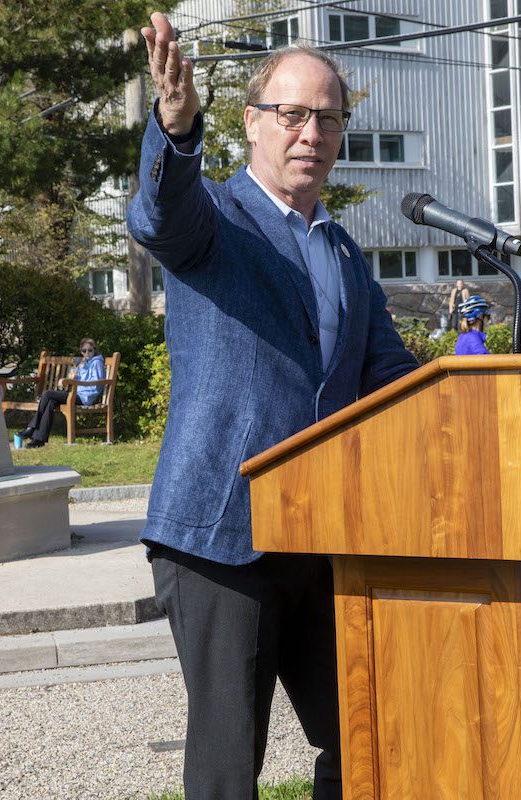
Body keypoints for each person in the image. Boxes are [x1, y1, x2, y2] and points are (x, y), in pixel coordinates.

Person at [126, 14, 418, 800]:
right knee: (229, 769)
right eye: (292, 114)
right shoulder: (215, 218)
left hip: (323, 533)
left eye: (329, 118)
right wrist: (174, 128)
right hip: (223, 538)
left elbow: (389, 377)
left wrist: (472, 393)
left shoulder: (343, 251)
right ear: (252, 123)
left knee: (368, 732)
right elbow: (158, 217)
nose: (311, 133)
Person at [16, 338, 104, 448]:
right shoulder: (84, 363)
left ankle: (31, 428)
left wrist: (79, 382)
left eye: (90, 350)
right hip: (75, 393)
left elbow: (97, 384)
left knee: (48, 394)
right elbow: (73, 380)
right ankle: (39, 440)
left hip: (84, 397)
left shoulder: (97, 362)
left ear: (95, 350)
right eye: (84, 351)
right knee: (51, 402)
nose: (87, 353)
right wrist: (73, 377)